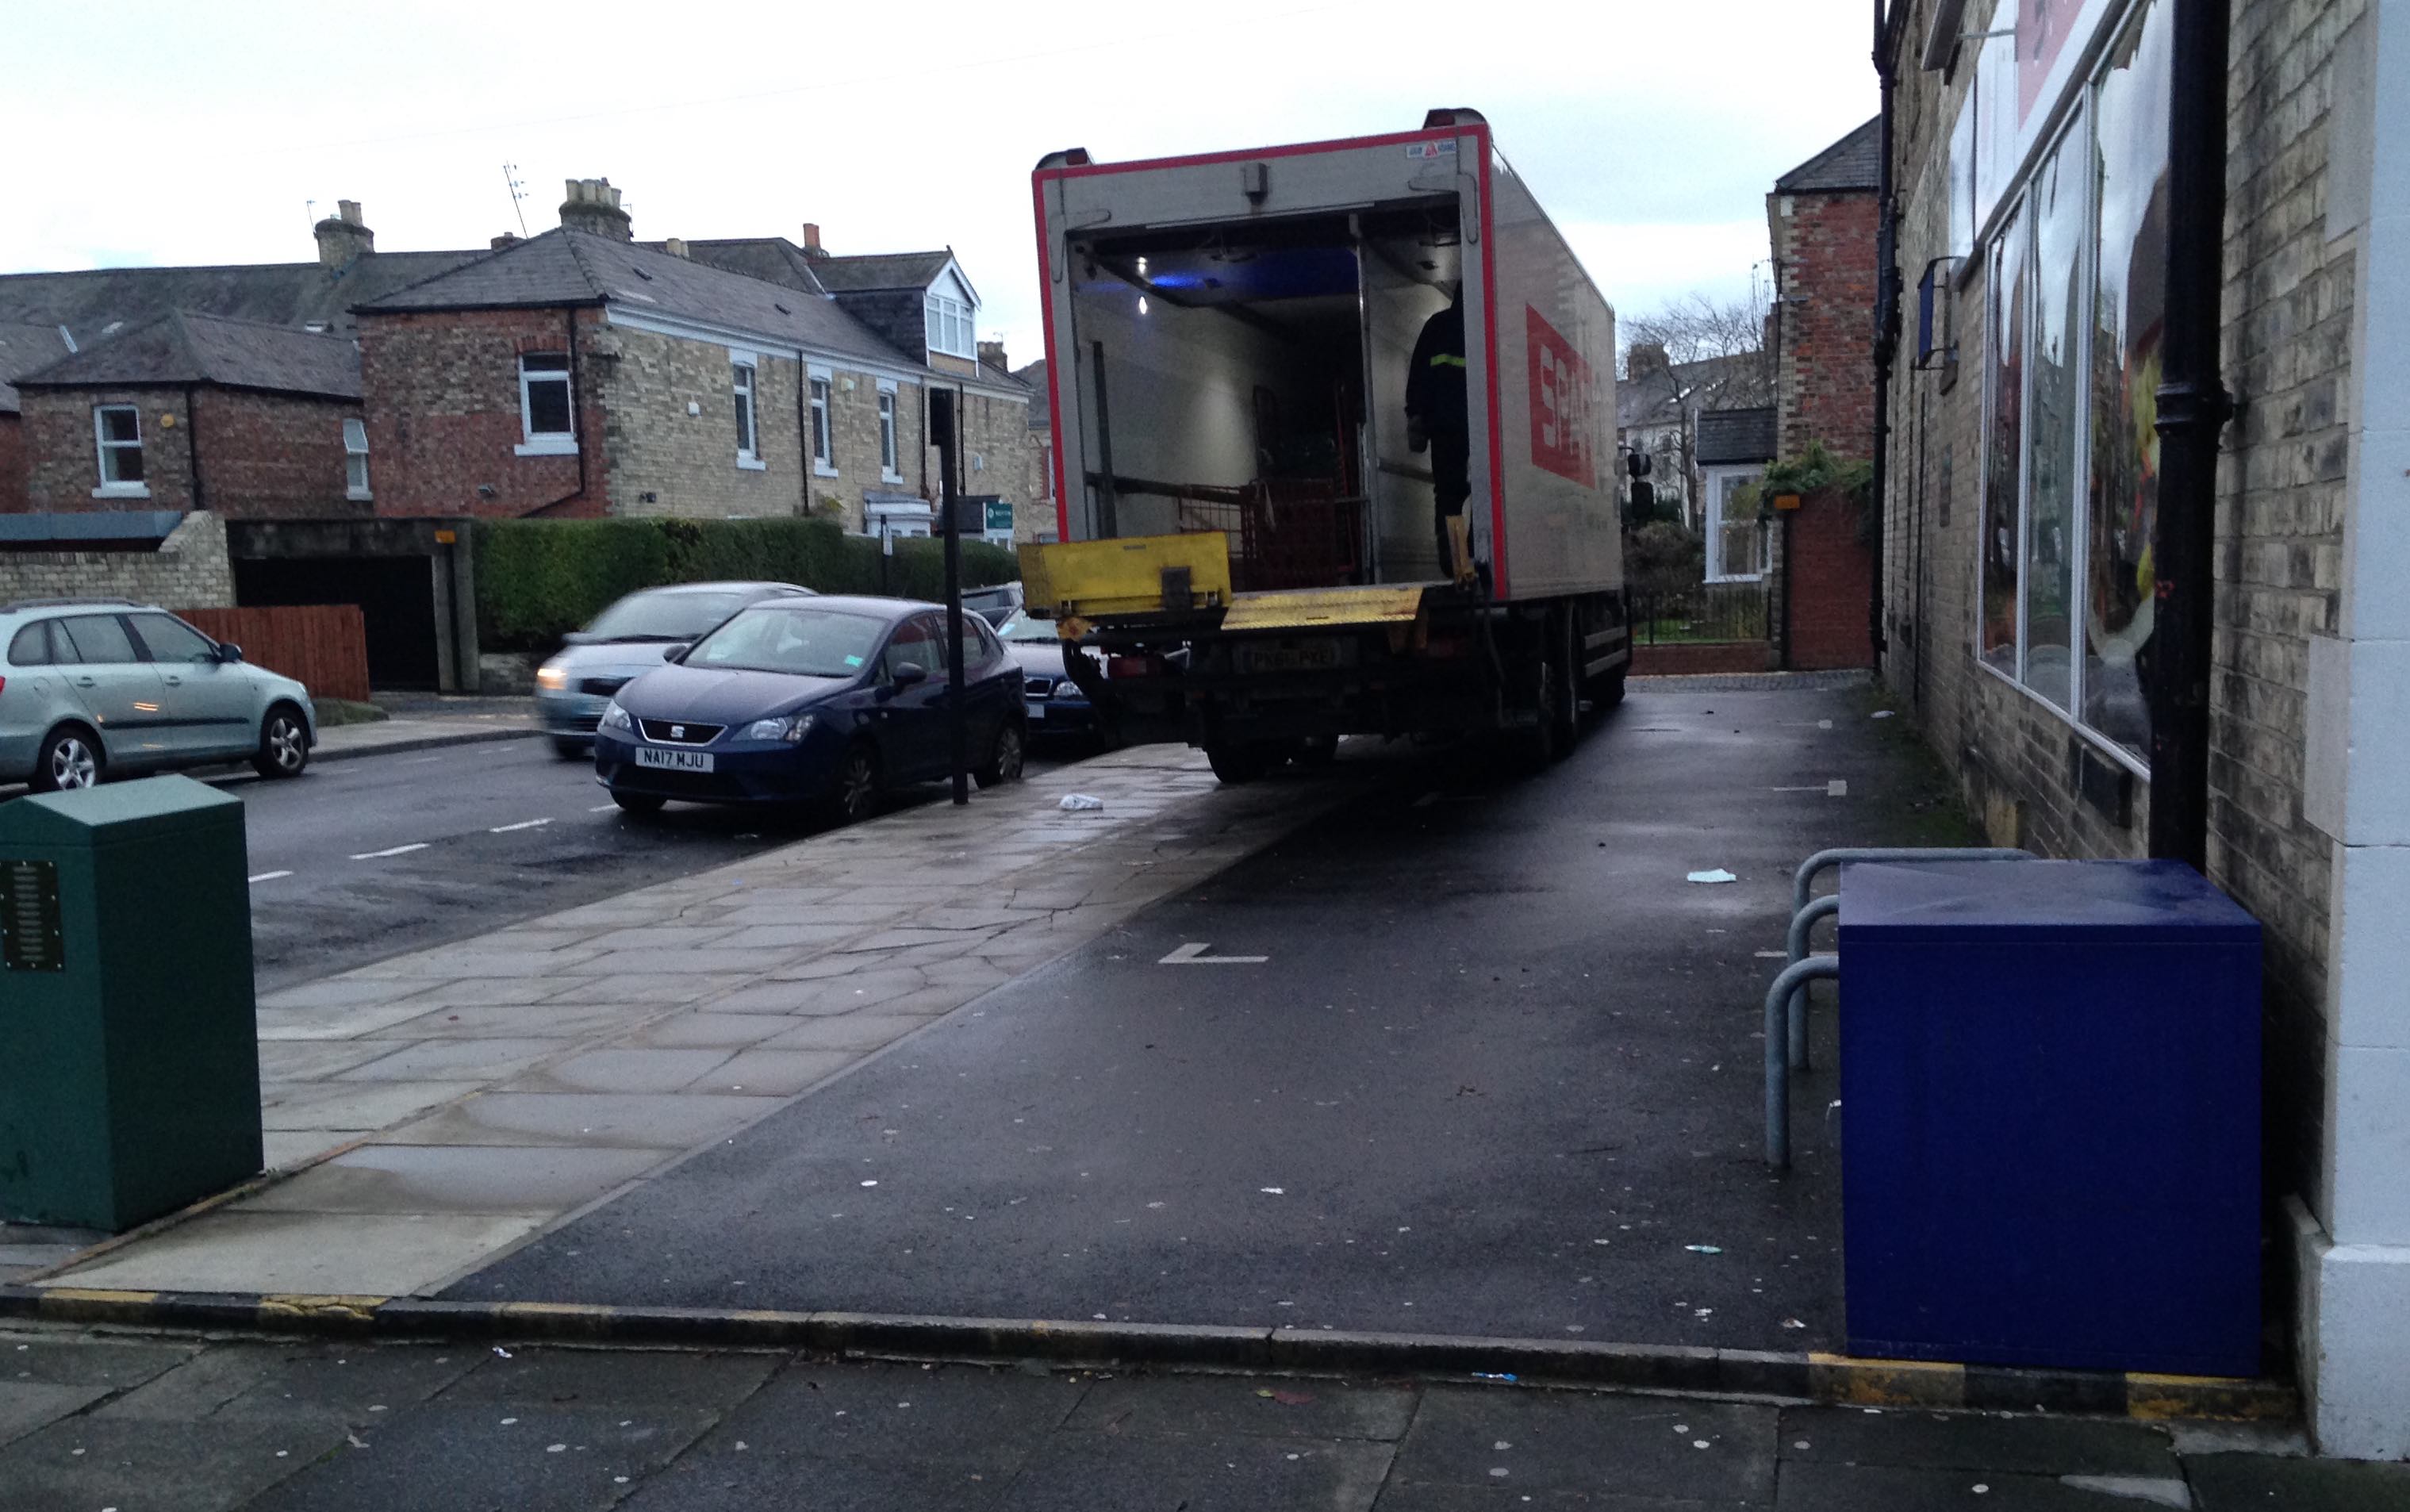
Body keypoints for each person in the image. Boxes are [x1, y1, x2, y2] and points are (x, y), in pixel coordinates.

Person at [1405, 284, 1470, 578]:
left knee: (1448, 495)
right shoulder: (1484, 327)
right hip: (1480, 429)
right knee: (1484, 492)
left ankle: (1454, 561)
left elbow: (1418, 376)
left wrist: (1416, 417)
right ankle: (1474, 551)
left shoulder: (1436, 326)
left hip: (1443, 429)